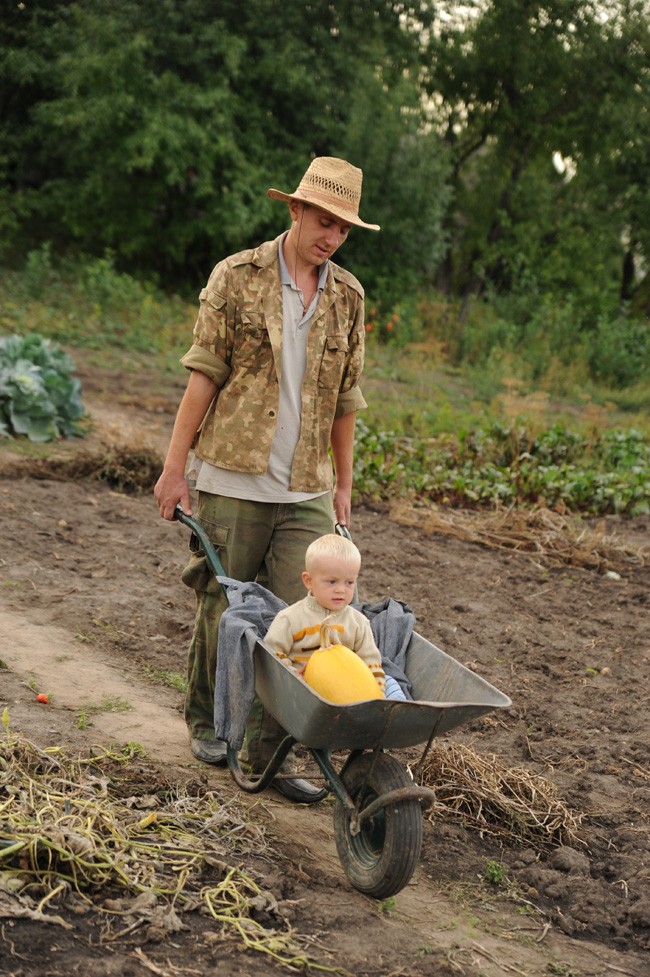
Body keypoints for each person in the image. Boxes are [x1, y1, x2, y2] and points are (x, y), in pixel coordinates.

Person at [154, 156, 380, 803]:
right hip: (232, 475)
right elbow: (203, 375)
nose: (330, 235)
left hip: (305, 486)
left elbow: (347, 400)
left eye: (342, 227)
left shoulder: (348, 297)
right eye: (321, 219)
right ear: (295, 210)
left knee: (303, 618)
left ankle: (266, 751)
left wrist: (342, 485)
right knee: (224, 608)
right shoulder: (237, 276)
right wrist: (177, 467)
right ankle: (205, 722)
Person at [263, 533, 387, 693]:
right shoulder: (289, 619)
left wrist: (378, 694)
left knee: (392, 686)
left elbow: (371, 662)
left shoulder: (358, 622)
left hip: (347, 692)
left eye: (349, 582)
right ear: (308, 581)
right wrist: (292, 675)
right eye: (332, 581)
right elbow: (273, 653)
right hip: (303, 691)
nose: (341, 589)